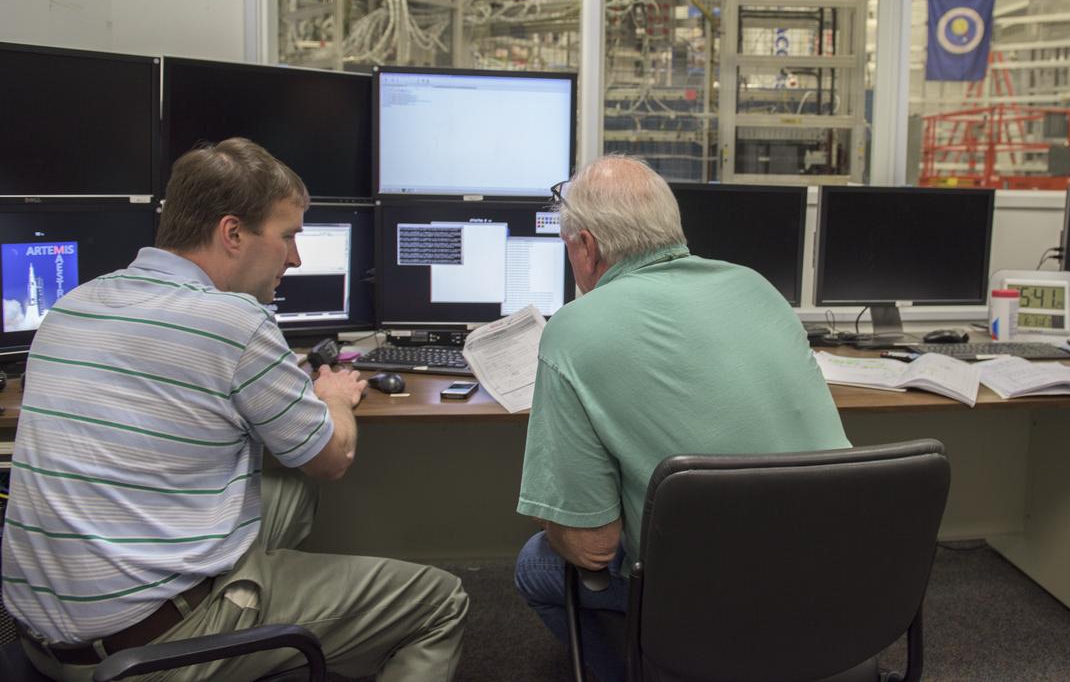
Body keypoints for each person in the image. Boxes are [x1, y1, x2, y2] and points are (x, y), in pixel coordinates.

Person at [2, 138, 468, 681]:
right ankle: (261, 631)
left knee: (291, 494)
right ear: (232, 233)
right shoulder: (235, 322)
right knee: (441, 600)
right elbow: (332, 456)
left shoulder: (72, 305)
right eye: (289, 236)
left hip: (39, 640)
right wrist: (335, 397)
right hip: (149, 649)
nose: (295, 257)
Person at [514, 156, 851, 680]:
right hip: (836, 572)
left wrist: (551, 509)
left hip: (707, 595)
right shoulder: (757, 288)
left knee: (536, 563)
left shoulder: (574, 331)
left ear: (587, 246)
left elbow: (592, 546)